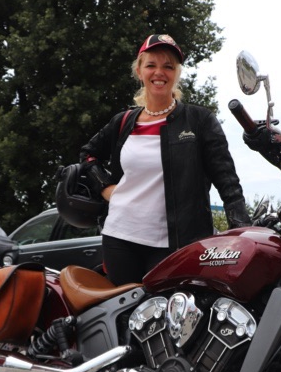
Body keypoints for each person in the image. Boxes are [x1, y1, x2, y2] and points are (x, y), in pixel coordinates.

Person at [79, 34, 251, 285]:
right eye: (151, 65)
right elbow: (88, 154)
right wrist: (105, 187)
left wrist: (241, 229)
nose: (159, 72)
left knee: (172, 317)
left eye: (168, 66)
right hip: (120, 237)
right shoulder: (123, 122)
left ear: (176, 73)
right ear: (139, 71)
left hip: (178, 244)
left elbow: (227, 180)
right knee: (126, 316)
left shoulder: (199, 120)